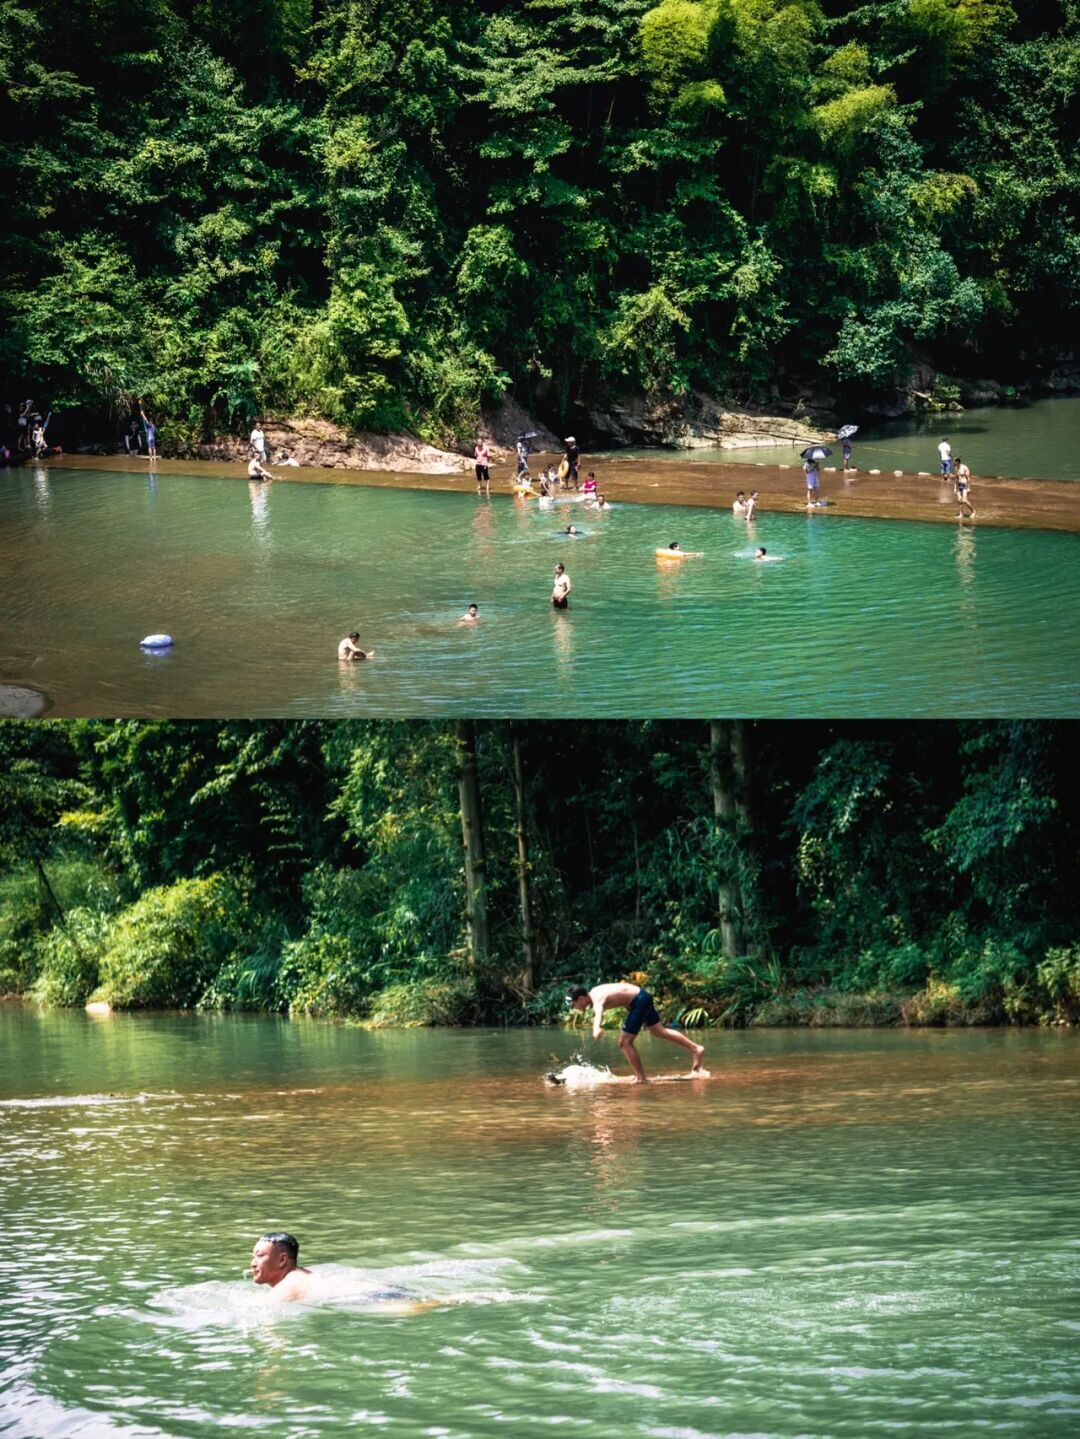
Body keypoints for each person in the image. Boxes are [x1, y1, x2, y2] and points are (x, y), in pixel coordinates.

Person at [565, 982, 705, 1083]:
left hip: (639, 1001)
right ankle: (696, 1049)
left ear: (581, 999)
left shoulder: (597, 999)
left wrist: (596, 1028)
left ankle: (640, 1078)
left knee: (624, 1042)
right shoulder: (594, 992)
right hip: (641, 998)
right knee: (658, 1031)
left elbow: (599, 1012)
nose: (574, 1008)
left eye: (574, 1005)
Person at [251, 1233, 313, 1301]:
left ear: (282, 1260)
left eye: (260, 1255)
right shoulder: (305, 1275)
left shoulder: (288, 1286)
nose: (253, 1264)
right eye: (253, 1257)